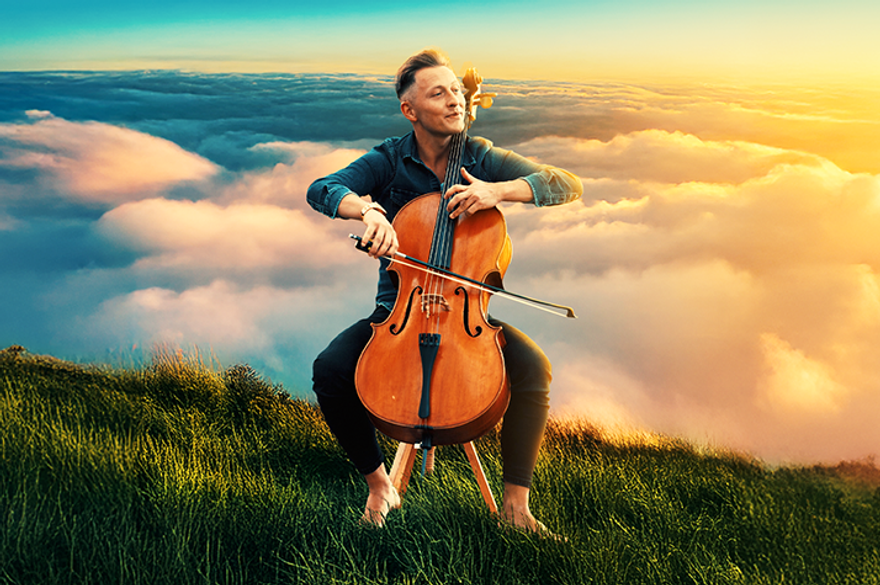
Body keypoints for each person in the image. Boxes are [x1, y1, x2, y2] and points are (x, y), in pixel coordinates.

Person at [306, 48, 582, 532]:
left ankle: (516, 506)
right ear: (410, 110)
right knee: (329, 371)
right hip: (398, 312)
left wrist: (498, 191)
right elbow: (323, 188)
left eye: (457, 90)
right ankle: (379, 485)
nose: (455, 100)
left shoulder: (479, 156)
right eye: (439, 93)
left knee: (534, 368)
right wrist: (368, 211)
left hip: (467, 315)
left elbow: (566, 183)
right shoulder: (389, 161)